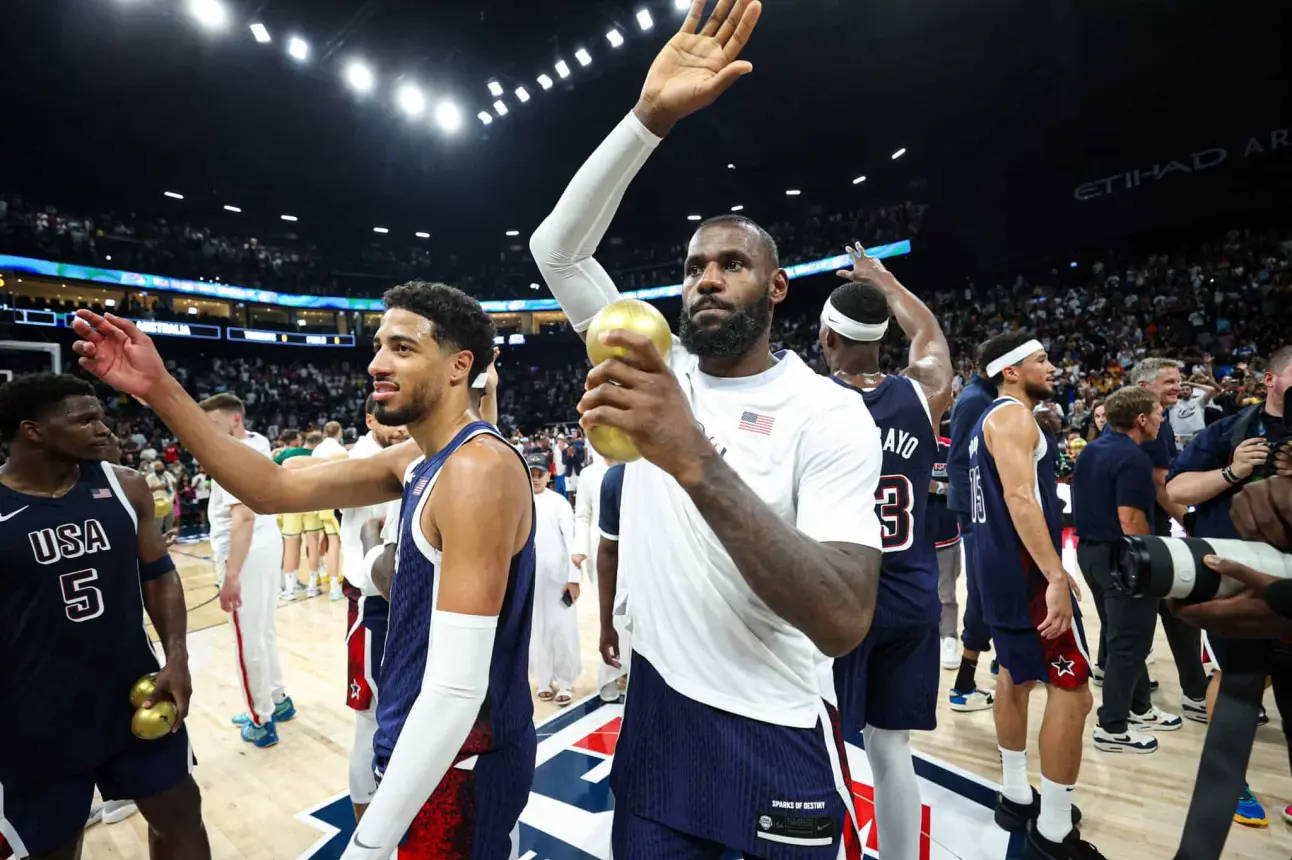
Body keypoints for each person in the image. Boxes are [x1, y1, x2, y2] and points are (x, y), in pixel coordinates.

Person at [530, 3, 883, 855]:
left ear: (777, 289)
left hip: (776, 729)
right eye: (694, 267)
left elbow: (841, 617)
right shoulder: (661, 368)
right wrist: (647, 120)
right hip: (655, 720)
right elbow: (558, 252)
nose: (707, 280)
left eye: (733, 265)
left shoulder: (830, 411)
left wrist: (694, 458)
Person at [70, 280, 536, 859]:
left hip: (460, 758)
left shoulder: (476, 470)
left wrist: (366, 845)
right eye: (379, 345)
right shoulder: (420, 458)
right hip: (429, 747)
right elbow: (271, 488)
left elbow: (456, 689)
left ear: (458, 366)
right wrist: (159, 388)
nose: (376, 364)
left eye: (402, 348)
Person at [0, 373, 210, 860]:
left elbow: (159, 574)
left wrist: (176, 656)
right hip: (33, 717)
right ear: (33, 430)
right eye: (86, 420)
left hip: (133, 694)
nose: (105, 429)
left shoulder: (125, 486)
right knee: (53, 848)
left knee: (182, 819)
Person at [818, 243, 953, 860]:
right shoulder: (922, 393)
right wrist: (885, 279)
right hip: (911, 595)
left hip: (839, 604)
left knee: (822, 750)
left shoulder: (812, 407)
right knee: (892, 750)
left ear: (827, 339)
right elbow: (926, 331)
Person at [967, 332, 1100, 860]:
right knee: (1074, 694)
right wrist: (1056, 577)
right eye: (1041, 359)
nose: (1053, 367)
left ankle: (1016, 794)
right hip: (1027, 579)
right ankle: (1051, 829)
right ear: (1010, 371)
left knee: (1014, 676)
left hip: (997, 573)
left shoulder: (987, 422)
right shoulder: (1014, 417)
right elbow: (1021, 498)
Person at [1166, 346, 1292, 826]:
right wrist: (1232, 472)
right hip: (1239, 571)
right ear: (1270, 380)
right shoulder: (1230, 431)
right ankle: (1228, 777)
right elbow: (1176, 491)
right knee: (1241, 675)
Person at [1072, 385, 1181, 755]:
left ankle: (1139, 707)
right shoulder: (1134, 458)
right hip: (1123, 557)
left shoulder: (1091, 450)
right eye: (1157, 413)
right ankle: (1112, 727)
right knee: (1129, 643)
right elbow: (1131, 520)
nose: (1161, 419)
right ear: (1140, 419)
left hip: (1089, 554)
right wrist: (1153, 560)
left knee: (1123, 637)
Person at [199, 393, 293, 749]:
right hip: (269, 544)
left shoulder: (229, 456)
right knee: (264, 631)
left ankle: (261, 718)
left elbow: (244, 517)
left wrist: (232, 574)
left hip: (245, 552)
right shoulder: (259, 441)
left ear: (235, 419)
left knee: (246, 640)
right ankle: (277, 699)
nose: (207, 431)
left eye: (213, 423)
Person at [336, 397, 408, 822]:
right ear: (368, 420)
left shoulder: (393, 453)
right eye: (388, 420)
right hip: (371, 602)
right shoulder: (364, 459)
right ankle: (365, 827)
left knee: (393, 715)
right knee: (369, 719)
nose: (398, 428)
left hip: (395, 601)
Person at [945, 359, 997, 712]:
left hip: (982, 514)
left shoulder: (984, 396)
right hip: (982, 516)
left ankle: (992, 666)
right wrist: (974, 515)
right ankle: (964, 684)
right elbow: (960, 462)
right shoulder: (977, 399)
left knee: (989, 595)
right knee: (983, 596)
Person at [573, 452, 627, 702]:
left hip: (631, 546)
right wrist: (579, 550)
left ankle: (629, 671)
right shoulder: (588, 474)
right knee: (611, 612)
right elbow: (583, 515)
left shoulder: (636, 467)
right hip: (603, 553)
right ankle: (610, 676)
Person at [528, 452, 582, 706]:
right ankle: (544, 679)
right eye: (532, 474)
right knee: (537, 629)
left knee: (562, 629)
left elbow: (572, 540)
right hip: (530, 580)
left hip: (559, 579)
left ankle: (567, 681)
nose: (536, 479)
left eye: (540, 474)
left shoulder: (559, 502)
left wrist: (574, 579)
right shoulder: (520, 502)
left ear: (549, 475)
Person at [596, 462, 632, 701]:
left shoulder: (695, 465)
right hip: (645, 624)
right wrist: (606, 625)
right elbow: (608, 551)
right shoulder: (618, 477)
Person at [929, 433, 963, 668]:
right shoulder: (907, 441)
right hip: (912, 534)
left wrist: (938, 487)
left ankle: (949, 638)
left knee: (946, 593)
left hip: (945, 534)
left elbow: (964, 488)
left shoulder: (950, 448)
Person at [311, 421, 349, 601]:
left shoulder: (316, 450)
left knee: (328, 542)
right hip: (335, 502)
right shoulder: (341, 452)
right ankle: (340, 587)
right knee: (341, 544)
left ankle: (332, 584)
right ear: (339, 433)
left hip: (319, 502)